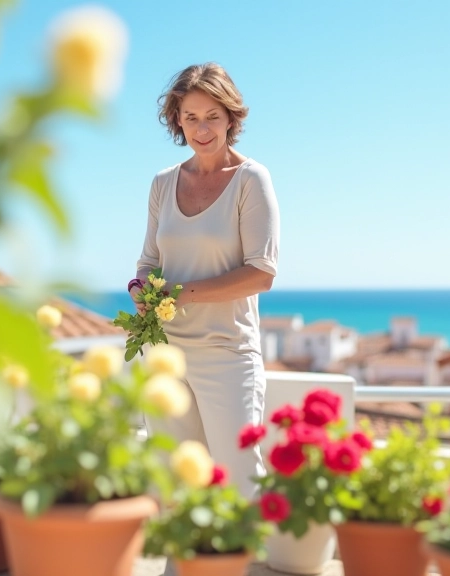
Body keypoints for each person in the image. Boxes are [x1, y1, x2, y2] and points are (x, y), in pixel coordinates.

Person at [129, 62, 279, 498]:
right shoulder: (162, 183)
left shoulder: (252, 180)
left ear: (231, 117)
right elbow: (148, 261)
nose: (202, 128)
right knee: (173, 480)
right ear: (177, 119)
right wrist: (141, 289)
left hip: (226, 353)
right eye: (191, 117)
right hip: (164, 352)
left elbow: (262, 273)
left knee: (240, 481)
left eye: (212, 116)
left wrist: (181, 294)